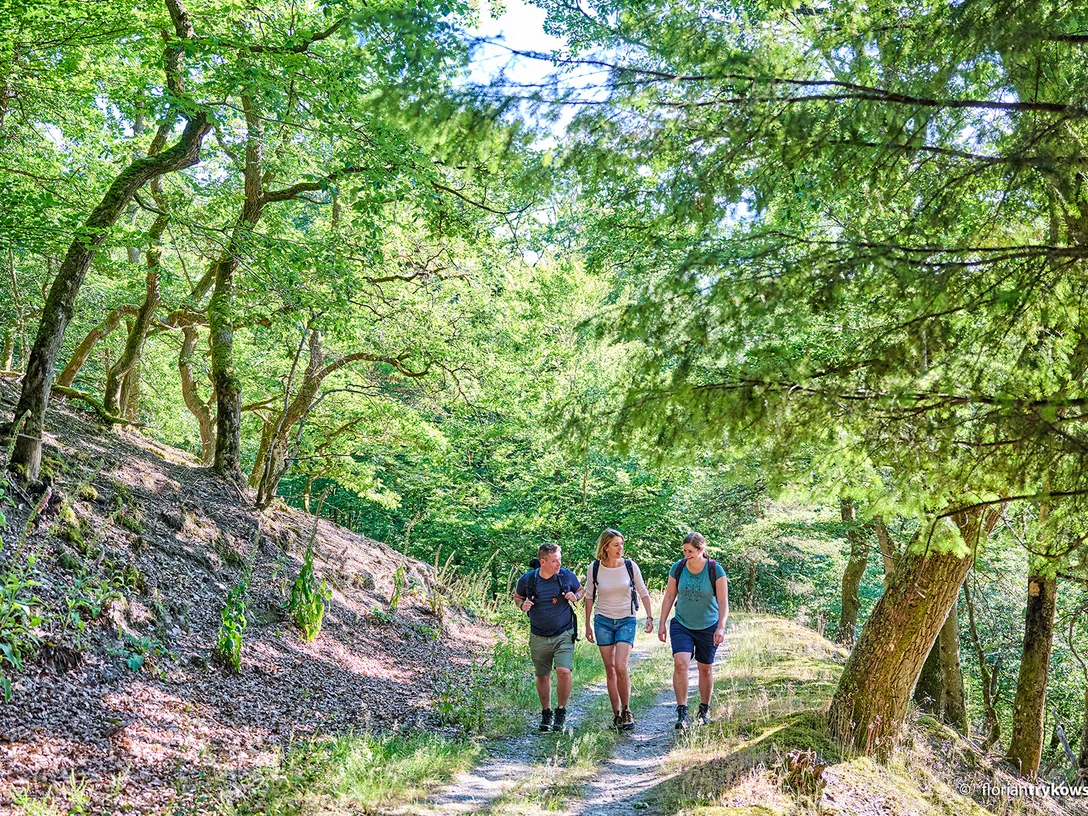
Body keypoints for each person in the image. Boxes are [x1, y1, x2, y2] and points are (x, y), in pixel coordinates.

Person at [657, 531, 729, 730]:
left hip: (708, 626)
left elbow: (723, 601)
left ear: (701, 550)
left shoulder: (715, 570)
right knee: (680, 664)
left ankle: (704, 711)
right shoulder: (678, 568)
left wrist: (721, 627)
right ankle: (682, 712)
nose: (686, 554)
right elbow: (670, 596)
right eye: (684, 550)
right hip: (682, 623)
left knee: (704, 668)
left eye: (690, 551)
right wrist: (662, 622)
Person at [585, 528, 654, 731]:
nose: (620, 548)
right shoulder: (595, 567)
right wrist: (588, 624)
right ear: (605, 547)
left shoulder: (630, 566)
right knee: (610, 669)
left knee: (620, 666)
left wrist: (649, 617)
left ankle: (627, 710)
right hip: (603, 621)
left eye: (622, 544)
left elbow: (643, 592)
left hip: (626, 619)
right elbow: (589, 596)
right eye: (616, 545)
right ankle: (616, 714)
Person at [513, 542, 585, 732]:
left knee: (564, 671)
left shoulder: (566, 576)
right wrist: (522, 606)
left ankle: (561, 711)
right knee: (542, 676)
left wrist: (575, 597)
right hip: (538, 635)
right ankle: (546, 713)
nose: (558, 564)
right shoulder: (528, 580)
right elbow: (517, 596)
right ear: (542, 561)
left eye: (559, 560)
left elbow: (581, 590)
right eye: (554, 561)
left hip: (564, 632)